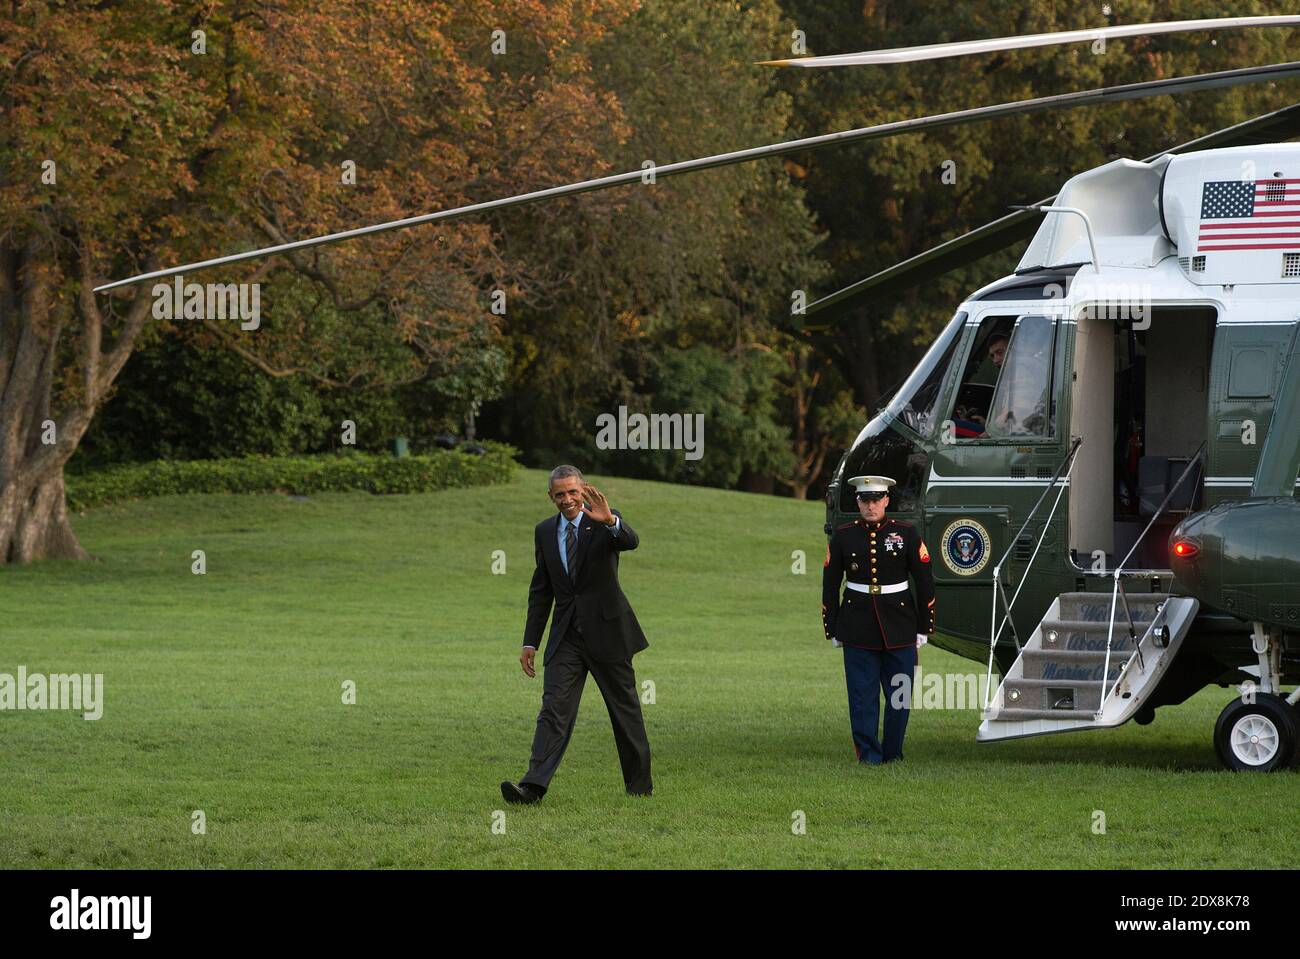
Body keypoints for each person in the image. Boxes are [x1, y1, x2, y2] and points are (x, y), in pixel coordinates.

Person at [501, 465, 652, 804]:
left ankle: (640, 788)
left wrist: (610, 520)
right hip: (566, 637)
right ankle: (532, 788)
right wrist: (530, 642)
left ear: (583, 489)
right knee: (553, 710)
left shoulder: (604, 519)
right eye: (560, 494)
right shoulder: (543, 531)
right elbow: (542, 591)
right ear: (550, 496)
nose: (567, 499)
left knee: (624, 711)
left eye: (572, 491)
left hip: (608, 632)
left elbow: (630, 541)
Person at [821, 475, 935, 764]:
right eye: (865, 500)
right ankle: (869, 755)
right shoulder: (844, 536)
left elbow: (924, 581)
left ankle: (893, 753)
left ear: (886, 501)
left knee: (899, 695)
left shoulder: (907, 533)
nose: (871, 506)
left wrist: (924, 627)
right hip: (857, 625)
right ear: (858, 502)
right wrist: (832, 627)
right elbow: (830, 585)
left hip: (900, 624)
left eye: (876, 500)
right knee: (862, 696)